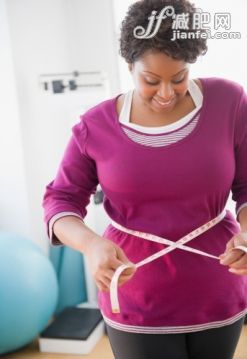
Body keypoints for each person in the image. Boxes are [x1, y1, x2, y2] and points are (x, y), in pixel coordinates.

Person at [42, 0, 247, 358]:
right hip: (135, 297)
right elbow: (60, 199)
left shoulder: (229, 102)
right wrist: (90, 244)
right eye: (151, 80)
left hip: (219, 291)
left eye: (179, 77)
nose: (166, 93)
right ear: (129, 66)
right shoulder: (95, 126)